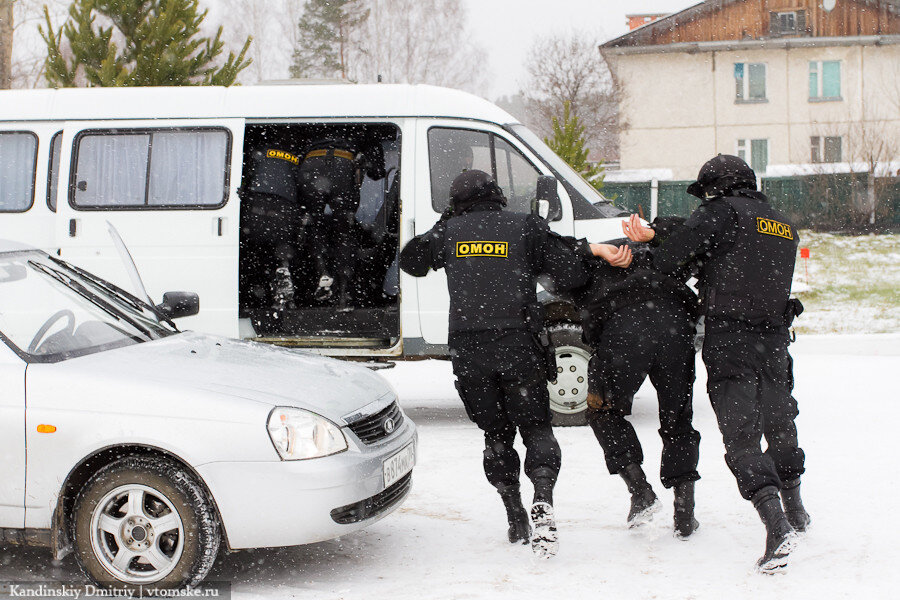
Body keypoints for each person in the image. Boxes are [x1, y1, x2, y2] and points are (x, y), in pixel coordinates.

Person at [399, 169, 630, 558]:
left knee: (496, 435)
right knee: (537, 428)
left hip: (471, 350)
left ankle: (514, 515)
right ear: (498, 196)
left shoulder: (450, 232)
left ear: (457, 202)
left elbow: (412, 260)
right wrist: (591, 250)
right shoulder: (524, 226)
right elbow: (567, 268)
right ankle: (543, 498)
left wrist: (448, 221)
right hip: (519, 345)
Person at [622, 154, 809, 573]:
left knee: (741, 436)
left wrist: (647, 246)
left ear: (717, 187)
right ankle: (796, 509)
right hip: (775, 339)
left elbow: (674, 261)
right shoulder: (781, 223)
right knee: (780, 421)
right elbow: (733, 258)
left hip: (733, 339)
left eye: (706, 192)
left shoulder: (719, 213)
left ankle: (776, 527)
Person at [574, 223, 702, 538]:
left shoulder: (599, 259)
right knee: (678, 419)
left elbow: (560, 260)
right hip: (676, 330)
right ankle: (685, 511)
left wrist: (592, 249)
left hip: (623, 332)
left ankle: (639, 490)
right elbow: (698, 242)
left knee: (601, 409)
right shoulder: (668, 254)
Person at [298, 134, 386, 307]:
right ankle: (344, 293)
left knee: (314, 224)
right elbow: (377, 173)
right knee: (344, 232)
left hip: (310, 163)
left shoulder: (316, 124)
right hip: (343, 163)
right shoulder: (364, 127)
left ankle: (322, 271)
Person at [242, 146, 305, 309]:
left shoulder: (259, 153)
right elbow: (303, 184)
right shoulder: (296, 157)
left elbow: (245, 177)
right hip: (285, 206)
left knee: (254, 251)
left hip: (257, 202)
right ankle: (282, 274)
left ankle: (256, 295)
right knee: (282, 249)